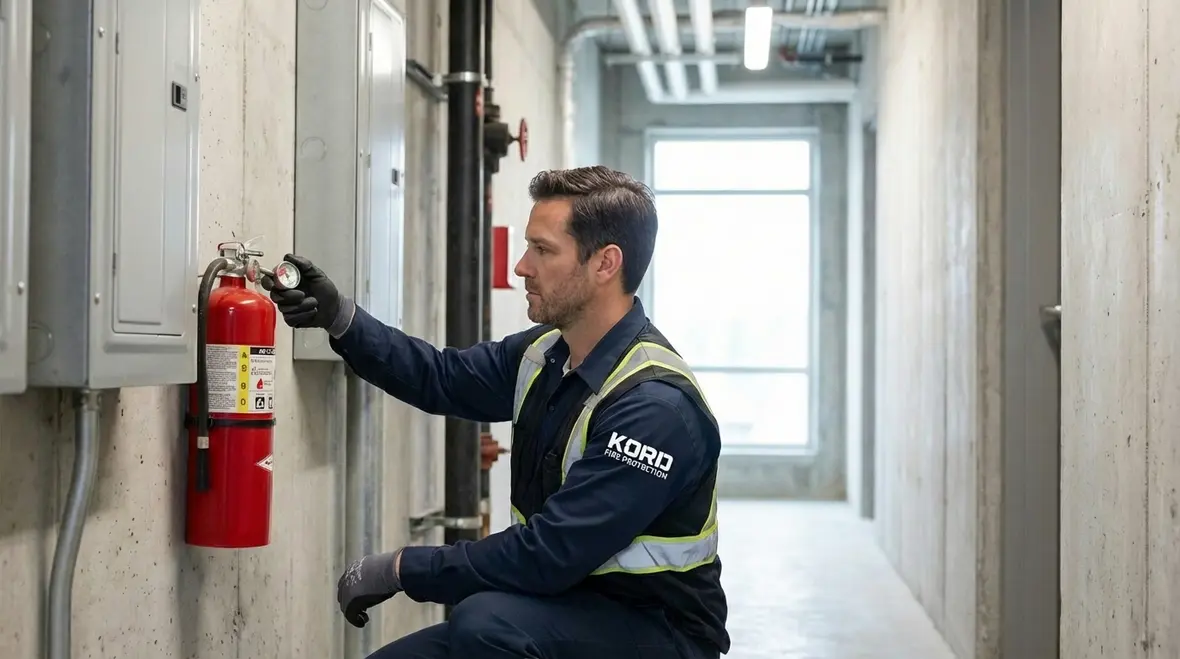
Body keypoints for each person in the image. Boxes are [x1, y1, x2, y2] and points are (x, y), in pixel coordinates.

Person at [264, 166, 729, 658]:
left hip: (656, 631)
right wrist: (339, 317)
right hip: (559, 609)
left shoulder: (653, 408)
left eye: (543, 250)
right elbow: (441, 377)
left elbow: (548, 554)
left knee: (486, 624)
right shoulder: (546, 354)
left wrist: (403, 568)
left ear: (605, 264)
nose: (521, 267)